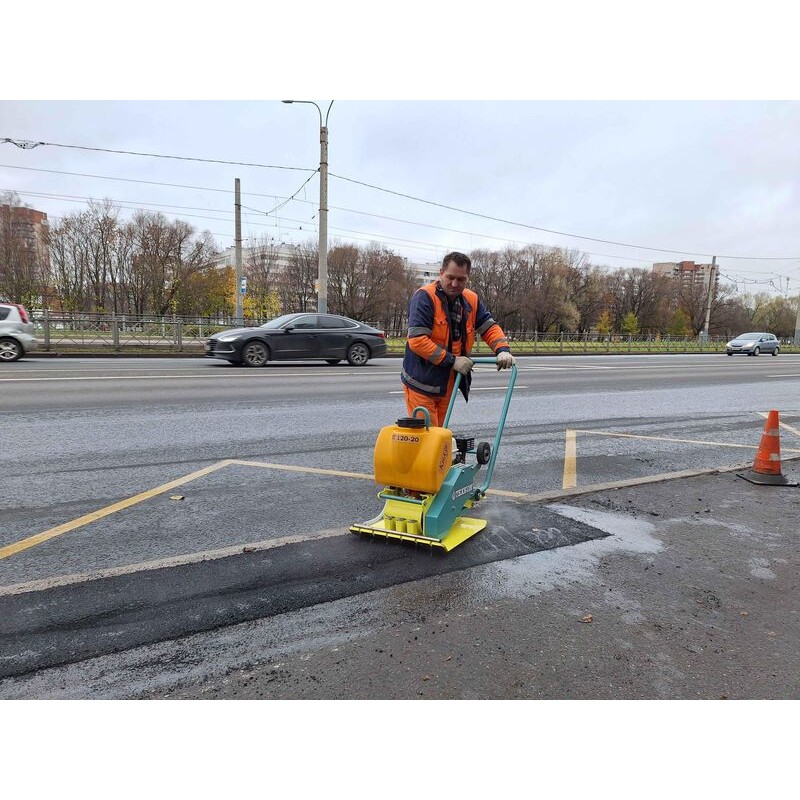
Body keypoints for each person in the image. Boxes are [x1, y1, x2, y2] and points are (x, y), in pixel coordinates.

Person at [401, 251, 516, 426]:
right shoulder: (425, 297)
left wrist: (502, 350)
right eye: (450, 277)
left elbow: (489, 327)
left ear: (468, 278)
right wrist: (452, 360)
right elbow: (416, 341)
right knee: (426, 438)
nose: (454, 284)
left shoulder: (471, 299)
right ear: (441, 273)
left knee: (440, 435)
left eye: (461, 279)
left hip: (448, 381)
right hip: (422, 382)